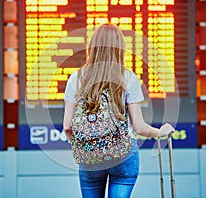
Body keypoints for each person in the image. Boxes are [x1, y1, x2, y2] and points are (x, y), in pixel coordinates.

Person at [63, 23, 175, 198]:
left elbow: (68, 127)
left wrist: (87, 146)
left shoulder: (76, 79)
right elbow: (139, 127)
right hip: (123, 155)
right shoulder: (128, 77)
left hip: (89, 158)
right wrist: (160, 132)